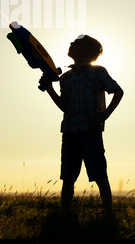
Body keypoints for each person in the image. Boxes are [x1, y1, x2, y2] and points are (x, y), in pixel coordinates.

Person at [39, 34, 124, 216]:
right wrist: (50, 89)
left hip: (90, 131)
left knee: (99, 173)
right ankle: (65, 214)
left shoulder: (98, 72)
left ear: (89, 50)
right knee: (68, 176)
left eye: (76, 43)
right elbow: (65, 106)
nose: (71, 44)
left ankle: (109, 213)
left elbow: (117, 91)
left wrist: (105, 115)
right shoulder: (66, 77)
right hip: (70, 131)